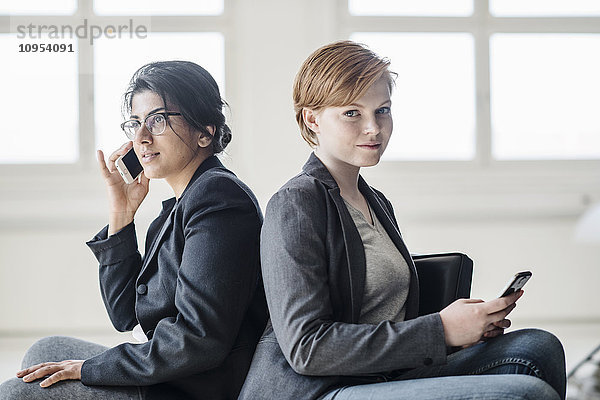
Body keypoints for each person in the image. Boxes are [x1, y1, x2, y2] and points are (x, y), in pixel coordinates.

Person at [239, 41, 566, 400]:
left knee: (539, 347)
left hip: (380, 377)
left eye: (382, 110)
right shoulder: (296, 204)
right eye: (352, 113)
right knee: (523, 393)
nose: (373, 128)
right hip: (319, 390)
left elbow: (386, 318)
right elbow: (308, 348)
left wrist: (466, 329)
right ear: (312, 119)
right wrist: (441, 331)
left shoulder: (376, 202)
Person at [0, 60, 268, 400]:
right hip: (173, 376)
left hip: (194, 389)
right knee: (47, 350)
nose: (141, 138)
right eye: (135, 123)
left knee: (15, 393)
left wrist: (87, 368)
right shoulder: (176, 208)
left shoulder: (219, 201)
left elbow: (199, 340)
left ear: (205, 131)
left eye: (157, 120)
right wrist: (122, 211)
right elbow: (124, 313)